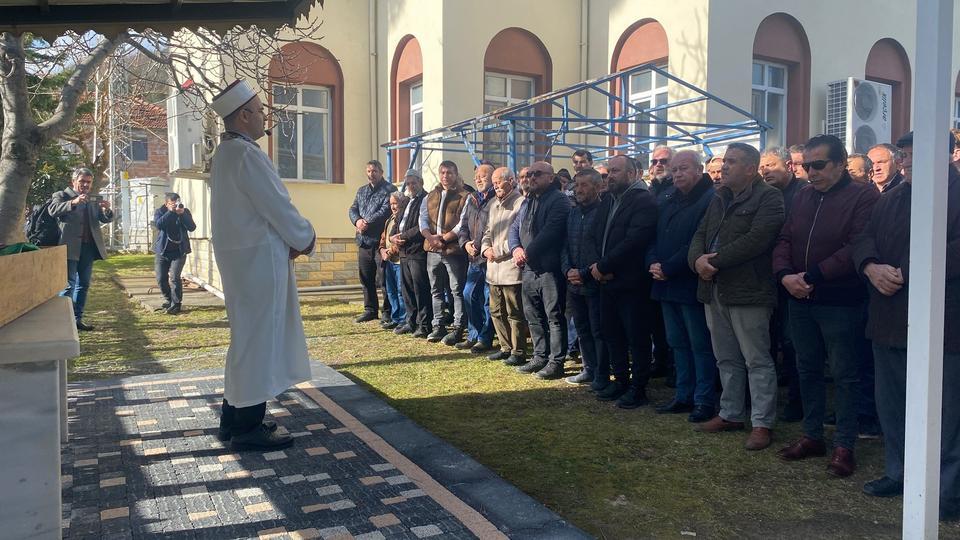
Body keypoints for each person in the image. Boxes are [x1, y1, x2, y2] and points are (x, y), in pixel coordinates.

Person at [854, 131, 960, 521]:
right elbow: (862, 237)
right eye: (906, 154)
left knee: (946, 414)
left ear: (949, 154)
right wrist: (870, 266)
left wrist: (911, 269)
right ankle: (898, 473)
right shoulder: (892, 197)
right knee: (893, 404)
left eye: (920, 153)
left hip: (945, 325)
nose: (909, 160)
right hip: (889, 319)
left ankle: (947, 493)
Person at [208, 79, 316, 450]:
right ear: (244, 114)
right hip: (257, 262)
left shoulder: (225, 154)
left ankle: (232, 418)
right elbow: (277, 205)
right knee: (257, 341)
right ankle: (246, 428)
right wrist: (306, 237)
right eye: (260, 111)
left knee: (245, 340)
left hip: (243, 260)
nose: (264, 119)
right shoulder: (247, 155)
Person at [772, 134, 879, 477]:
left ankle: (845, 444)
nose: (811, 172)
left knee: (845, 375)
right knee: (807, 367)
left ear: (840, 163)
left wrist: (813, 276)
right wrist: (786, 275)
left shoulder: (863, 195)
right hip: (799, 297)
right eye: (806, 166)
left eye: (818, 165)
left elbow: (856, 245)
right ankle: (812, 435)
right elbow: (785, 238)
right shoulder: (803, 196)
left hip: (840, 300)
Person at [689, 143, 784, 451]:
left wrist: (712, 261)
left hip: (748, 291)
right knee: (726, 357)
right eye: (724, 161)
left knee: (756, 359)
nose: (724, 167)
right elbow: (699, 235)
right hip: (714, 287)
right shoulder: (718, 198)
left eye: (732, 162)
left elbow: (757, 239)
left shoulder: (769, 197)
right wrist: (697, 262)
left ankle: (761, 423)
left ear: (750, 168)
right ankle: (730, 413)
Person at [648, 150, 717, 422]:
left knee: (699, 344)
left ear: (699, 170)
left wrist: (668, 267)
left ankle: (703, 399)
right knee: (677, 343)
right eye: (674, 169)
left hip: (688, 282)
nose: (676, 173)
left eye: (683, 168)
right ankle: (682, 394)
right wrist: (653, 262)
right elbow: (653, 236)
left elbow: (698, 241)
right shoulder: (667, 198)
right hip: (664, 282)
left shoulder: (710, 199)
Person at [589, 155, 658, 407]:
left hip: (631, 282)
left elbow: (635, 241)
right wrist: (598, 266)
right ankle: (620, 381)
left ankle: (638, 388)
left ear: (633, 173)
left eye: (616, 171)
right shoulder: (609, 199)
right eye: (609, 172)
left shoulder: (644, 200)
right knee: (611, 333)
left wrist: (606, 266)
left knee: (636, 336)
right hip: (606, 280)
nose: (610, 176)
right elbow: (596, 234)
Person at [758, 146, 808, 422]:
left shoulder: (802, 193)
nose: (766, 171)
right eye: (762, 166)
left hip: (793, 277)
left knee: (792, 342)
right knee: (771, 339)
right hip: (767, 279)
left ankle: (797, 399)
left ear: (789, 165)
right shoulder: (764, 194)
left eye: (772, 165)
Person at [509, 161, 571, 379]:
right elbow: (514, 228)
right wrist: (515, 248)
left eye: (537, 174)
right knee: (533, 315)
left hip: (549, 269)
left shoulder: (559, 201)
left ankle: (556, 362)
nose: (531, 178)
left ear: (550, 177)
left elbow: (551, 231)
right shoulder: (528, 201)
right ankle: (539, 356)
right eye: (529, 174)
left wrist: (527, 252)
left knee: (554, 316)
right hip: (528, 269)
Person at [49, 167, 115, 331]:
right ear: (73, 181)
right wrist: (73, 202)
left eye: (88, 182)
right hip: (69, 247)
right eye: (82, 181)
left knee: (83, 285)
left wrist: (106, 209)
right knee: (68, 285)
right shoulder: (61, 195)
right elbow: (52, 210)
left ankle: (77, 319)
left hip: (88, 247)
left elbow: (103, 218)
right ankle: (63, 321)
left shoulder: (93, 199)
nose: (85, 185)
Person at [561, 168, 606, 386]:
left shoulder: (604, 213)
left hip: (595, 283)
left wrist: (584, 273)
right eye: (576, 185)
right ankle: (589, 368)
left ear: (598, 187)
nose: (578, 190)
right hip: (574, 283)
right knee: (582, 329)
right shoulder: (573, 213)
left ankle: (601, 373)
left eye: (584, 185)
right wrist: (567, 270)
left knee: (598, 331)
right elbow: (565, 246)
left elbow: (603, 251)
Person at [481, 167, 528, 365]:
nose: (495, 185)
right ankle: (505, 347)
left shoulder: (520, 203)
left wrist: (497, 251)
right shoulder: (493, 204)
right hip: (493, 268)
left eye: (499, 181)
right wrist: (485, 248)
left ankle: (518, 351)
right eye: (494, 182)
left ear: (511, 180)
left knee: (514, 312)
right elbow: (488, 231)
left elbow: (518, 235)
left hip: (510, 268)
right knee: (496, 310)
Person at [419, 160, 470, 345]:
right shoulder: (431, 196)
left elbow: (462, 223)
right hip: (432, 249)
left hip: (452, 250)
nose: (445, 176)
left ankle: (458, 327)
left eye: (449, 172)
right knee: (436, 289)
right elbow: (422, 218)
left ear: (456, 174)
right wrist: (430, 237)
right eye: (442, 172)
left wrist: (444, 239)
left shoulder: (465, 196)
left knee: (457, 289)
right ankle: (438, 325)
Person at [349, 160, 397, 323]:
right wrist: (357, 221)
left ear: (381, 172)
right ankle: (370, 309)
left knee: (384, 279)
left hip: (379, 242)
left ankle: (388, 311)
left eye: (375, 171)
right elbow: (353, 208)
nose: (372, 174)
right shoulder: (361, 190)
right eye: (369, 171)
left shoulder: (389, 189)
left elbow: (385, 210)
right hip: (363, 242)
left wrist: (366, 223)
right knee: (366, 278)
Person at [457, 163, 495, 353]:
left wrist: (483, 247)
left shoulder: (497, 199)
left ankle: (485, 338)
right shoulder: (471, 199)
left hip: (490, 258)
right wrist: (465, 244)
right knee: (468, 294)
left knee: (489, 301)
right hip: (473, 258)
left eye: (483, 176)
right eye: (476, 177)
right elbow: (463, 226)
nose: (478, 179)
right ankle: (473, 334)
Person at [390, 170, 432, 337]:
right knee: (407, 290)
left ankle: (424, 324)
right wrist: (393, 236)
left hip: (417, 251)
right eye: (408, 183)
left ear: (420, 182)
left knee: (420, 289)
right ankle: (411, 321)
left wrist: (403, 236)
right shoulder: (407, 200)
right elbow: (398, 221)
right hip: (404, 252)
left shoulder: (426, 199)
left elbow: (421, 226)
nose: (411, 186)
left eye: (414, 183)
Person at [152, 192, 196, 315]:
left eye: (177, 202)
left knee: (175, 277)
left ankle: (176, 304)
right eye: (173, 203)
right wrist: (170, 212)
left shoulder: (184, 211)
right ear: (166, 204)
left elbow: (192, 227)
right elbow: (159, 225)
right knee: (161, 278)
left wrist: (182, 215)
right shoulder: (160, 211)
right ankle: (169, 299)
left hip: (179, 251)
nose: (176, 205)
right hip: (163, 251)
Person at [378, 192, 407, 330]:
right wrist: (382, 250)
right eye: (391, 204)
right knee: (391, 291)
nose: (393, 206)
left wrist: (390, 252)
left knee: (401, 291)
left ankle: (403, 319)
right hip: (388, 261)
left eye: (395, 203)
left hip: (399, 261)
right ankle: (395, 318)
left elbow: (400, 239)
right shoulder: (389, 219)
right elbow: (384, 238)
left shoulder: (403, 219)